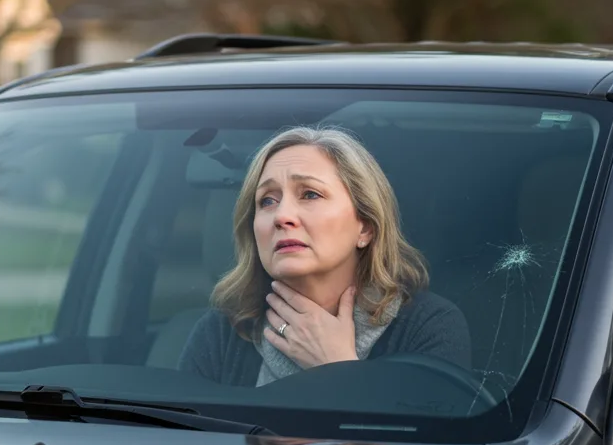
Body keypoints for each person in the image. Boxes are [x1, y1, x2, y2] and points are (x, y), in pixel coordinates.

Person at [178, 125, 470, 386]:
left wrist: (337, 368)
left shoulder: (427, 326)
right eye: (267, 201)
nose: (282, 216)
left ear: (365, 226)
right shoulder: (222, 332)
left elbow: (416, 434)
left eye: (310, 194)